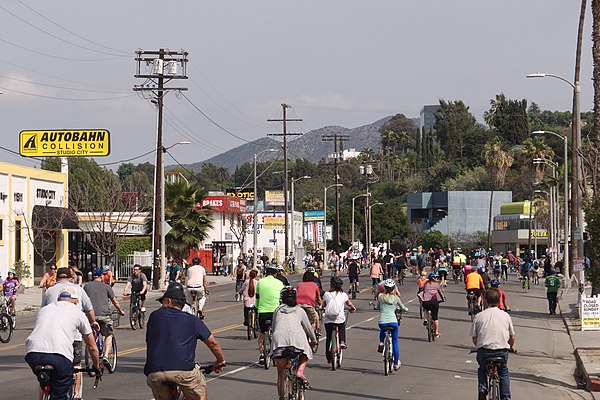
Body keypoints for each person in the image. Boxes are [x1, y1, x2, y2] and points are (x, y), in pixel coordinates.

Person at [145, 282, 226, 400]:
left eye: (162, 302)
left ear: (168, 301)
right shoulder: (192, 320)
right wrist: (220, 360)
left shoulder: (154, 317)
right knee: (200, 392)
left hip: (155, 372)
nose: (161, 305)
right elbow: (212, 343)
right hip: (183, 371)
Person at [25, 286, 101, 400]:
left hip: (33, 354)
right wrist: (96, 366)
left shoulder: (45, 309)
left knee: (45, 380)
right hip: (60, 356)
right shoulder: (77, 312)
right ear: (75, 300)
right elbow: (92, 346)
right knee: (60, 394)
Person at [42, 267, 98, 396]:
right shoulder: (78, 290)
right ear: (71, 278)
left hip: (51, 337)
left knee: (48, 370)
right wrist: (93, 321)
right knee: (76, 366)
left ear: (56, 278)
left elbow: (43, 310)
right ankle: (77, 394)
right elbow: (89, 309)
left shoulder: (49, 291)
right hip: (74, 336)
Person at [471, 288, 515, 400]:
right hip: (502, 351)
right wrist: (511, 347)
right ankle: (505, 397)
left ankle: (482, 388)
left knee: (482, 369)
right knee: (503, 371)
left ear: (485, 300)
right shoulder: (505, 316)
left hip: (484, 352)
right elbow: (512, 337)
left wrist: (479, 345)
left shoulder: (479, 316)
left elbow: (475, 338)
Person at [271, 287, 317, 395]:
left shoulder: (277, 310)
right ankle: (300, 372)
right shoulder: (300, 310)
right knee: (305, 353)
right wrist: (313, 341)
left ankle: (282, 395)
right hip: (298, 341)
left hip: (279, 342)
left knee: (280, 375)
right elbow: (308, 329)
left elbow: (274, 327)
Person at [84, 268, 125, 365]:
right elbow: (114, 301)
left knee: (92, 334)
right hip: (104, 316)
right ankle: (106, 355)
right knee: (108, 335)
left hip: (91, 317)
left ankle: (92, 351)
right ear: (101, 276)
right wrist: (120, 310)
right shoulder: (107, 287)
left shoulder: (86, 287)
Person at [376, 279, 408, 370]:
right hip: (393, 322)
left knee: (383, 329)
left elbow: (378, 307)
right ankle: (395, 363)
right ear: (394, 288)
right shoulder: (396, 298)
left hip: (382, 322)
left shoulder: (380, 296)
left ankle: (381, 342)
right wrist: (406, 309)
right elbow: (402, 307)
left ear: (385, 288)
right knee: (395, 342)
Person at [255, 265, 285, 364]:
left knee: (262, 333)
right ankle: (277, 351)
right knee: (277, 332)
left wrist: (257, 307)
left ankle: (261, 355)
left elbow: (258, 297)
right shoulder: (279, 283)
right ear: (275, 273)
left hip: (262, 311)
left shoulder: (261, 282)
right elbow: (282, 298)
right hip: (275, 312)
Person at [322, 276, 356, 362]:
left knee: (329, 337)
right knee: (341, 326)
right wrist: (353, 308)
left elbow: (322, 306)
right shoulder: (343, 295)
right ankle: (342, 342)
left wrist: (320, 308)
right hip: (339, 319)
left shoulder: (326, 294)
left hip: (329, 320)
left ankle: (329, 358)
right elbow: (349, 303)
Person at [418, 273, 444, 338]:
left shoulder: (426, 284)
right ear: (434, 278)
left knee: (426, 309)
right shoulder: (436, 285)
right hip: (434, 302)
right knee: (435, 318)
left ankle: (426, 319)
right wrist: (443, 299)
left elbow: (421, 291)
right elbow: (440, 293)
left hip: (425, 302)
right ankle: (436, 332)